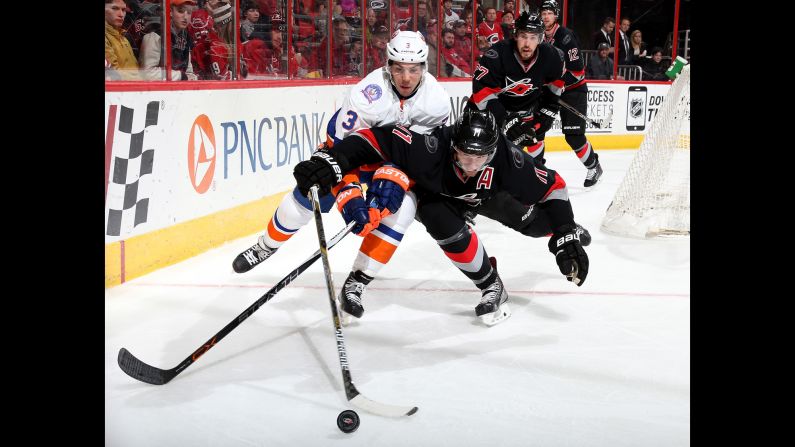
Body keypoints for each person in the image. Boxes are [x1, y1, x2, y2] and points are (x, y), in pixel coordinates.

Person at [292, 107, 590, 326]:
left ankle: (568, 229)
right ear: (452, 147)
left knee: (539, 226)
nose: (471, 164)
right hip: (439, 197)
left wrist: (565, 235)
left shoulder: (508, 161)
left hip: (489, 196)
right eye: (464, 155)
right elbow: (371, 140)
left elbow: (554, 188)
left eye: (480, 157)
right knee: (435, 220)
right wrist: (331, 161)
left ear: (493, 151)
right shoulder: (429, 149)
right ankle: (491, 286)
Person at [232, 31, 452, 324]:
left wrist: (399, 181)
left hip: (395, 161)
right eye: (398, 68)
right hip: (352, 154)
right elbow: (339, 150)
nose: (406, 77)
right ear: (388, 65)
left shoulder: (437, 101)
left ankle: (357, 282)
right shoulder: (368, 93)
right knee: (310, 190)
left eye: (413, 69)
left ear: (424, 67)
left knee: (401, 211)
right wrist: (348, 192)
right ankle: (267, 245)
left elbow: (428, 157)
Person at [539, 0, 602, 187]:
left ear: (556, 15)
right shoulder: (538, 36)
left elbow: (577, 72)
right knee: (536, 129)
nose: (545, 16)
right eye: (543, 13)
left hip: (573, 91)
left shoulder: (566, 37)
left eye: (549, 13)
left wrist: (555, 85)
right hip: (550, 90)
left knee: (573, 136)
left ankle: (593, 166)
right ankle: (537, 170)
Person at [139, 0, 198, 81]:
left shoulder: (186, 36)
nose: (185, 17)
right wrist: (181, 76)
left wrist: (192, 77)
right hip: (156, 91)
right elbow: (148, 73)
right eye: (180, 11)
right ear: (170, 11)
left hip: (178, 90)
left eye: (189, 12)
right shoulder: (155, 35)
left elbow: (189, 72)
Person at [105, 0, 141, 80]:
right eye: (115, 8)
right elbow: (113, 74)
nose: (121, 15)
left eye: (123, 10)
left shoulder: (123, 36)